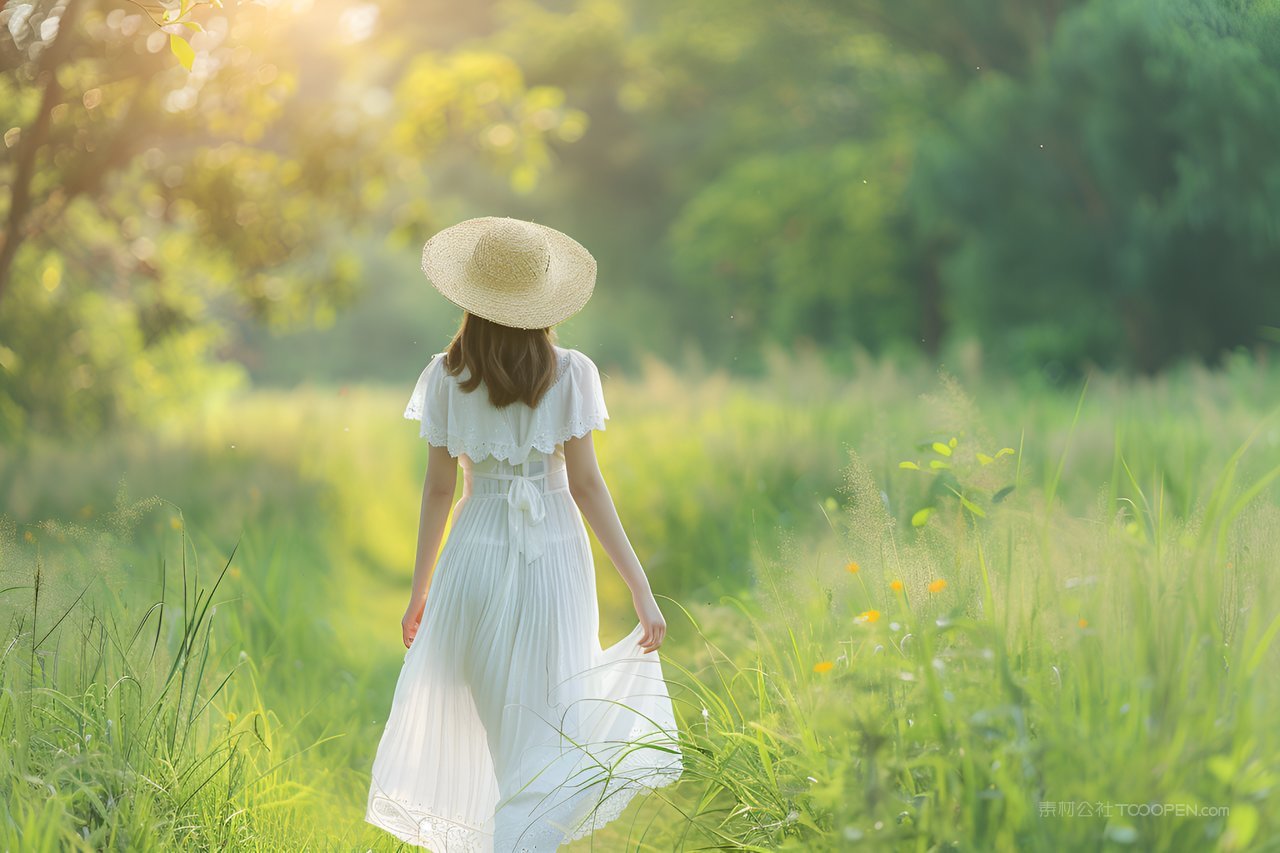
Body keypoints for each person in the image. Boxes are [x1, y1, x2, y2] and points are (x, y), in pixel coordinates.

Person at [364, 217, 683, 852]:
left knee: (504, 738)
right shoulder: (571, 373)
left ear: (469, 298)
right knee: (547, 730)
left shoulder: (446, 375)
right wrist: (641, 591)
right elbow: (588, 487)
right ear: (543, 302)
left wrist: (419, 592)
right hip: (555, 555)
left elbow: (438, 490)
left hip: (473, 556)